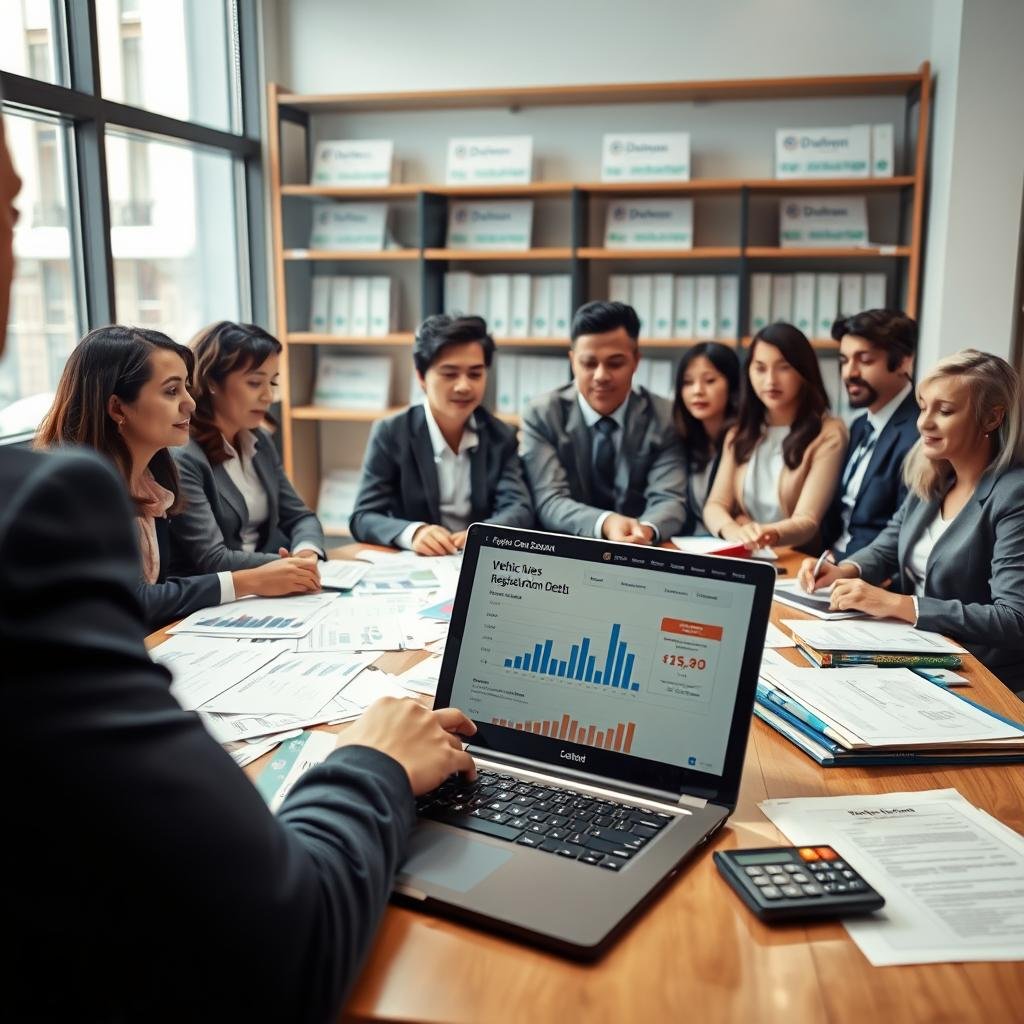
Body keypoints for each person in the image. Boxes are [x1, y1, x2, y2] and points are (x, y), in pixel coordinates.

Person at [0, 108, 477, 1020]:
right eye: (14, 211)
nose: (203, 403)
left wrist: (304, 547)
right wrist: (369, 762)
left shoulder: (215, 456)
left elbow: (300, 512)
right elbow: (279, 938)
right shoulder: (63, 505)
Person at [35, 325, 321, 630]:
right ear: (118, 408)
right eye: (172, 391)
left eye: (186, 387)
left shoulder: (153, 476)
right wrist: (250, 580)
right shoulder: (79, 490)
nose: (190, 403)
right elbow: (133, 599)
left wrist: (290, 564)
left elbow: (156, 589)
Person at [799, 349, 1024, 695]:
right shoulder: (934, 474)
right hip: (917, 655)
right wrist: (844, 570)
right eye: (922, 407)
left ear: (992, 418)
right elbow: (888, 546)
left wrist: (899, 605)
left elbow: (1013, 619)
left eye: (944, 411)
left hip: (983, 677)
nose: (923, 423)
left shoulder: (1013, 494)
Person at [349, 314, 533, 553]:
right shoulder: (391, 433)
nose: (464, 386)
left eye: (475, 374)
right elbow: (363, 516)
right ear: (421, 376)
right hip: (416, 561)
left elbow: (519, 508)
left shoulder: (502, 436)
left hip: (477, 559)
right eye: (449, 374)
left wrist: (483, 534)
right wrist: (414, 533)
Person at [169, 320, 327, 575]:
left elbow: (301, 517)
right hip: (226, 590)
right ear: (211, 381)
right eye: (255, 383)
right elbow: (212, 559)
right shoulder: (183, 455)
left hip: (273, 580)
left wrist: (306, 552)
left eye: (272, 383)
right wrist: (288, 565)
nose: (268, 396)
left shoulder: (258, 441)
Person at [521, 300, 686, 544]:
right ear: (572, 361)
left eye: (615, 363)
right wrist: (606, 524)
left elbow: (669, 498)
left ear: (636, 361)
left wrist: (644, 532)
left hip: (640, 548)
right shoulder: (543, 415)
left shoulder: (665, 416)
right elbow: (549, 499)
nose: (601, 376)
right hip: (567, 548)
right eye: (589, 364)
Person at [703, 323, 847, 550]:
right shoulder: (740, 432)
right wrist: (735, 532)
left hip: (798, 558)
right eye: (760, 368)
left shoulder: (829, 433)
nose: (770, 380)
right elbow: (715, 505)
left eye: (784, 367)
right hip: (747, 551)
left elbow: (808, 520)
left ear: (803, 371)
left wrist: (766, 533)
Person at [822, 309, 919, 558]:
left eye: (864, 360)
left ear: (903, 362)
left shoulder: (920, 434)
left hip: (867, 570)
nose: (849, 373)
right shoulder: (858, 426)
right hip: (829, 560)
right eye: (844, 361)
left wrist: (842, 565)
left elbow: (903, 536)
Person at [671, 342, 741, 536]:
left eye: (709, 381)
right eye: (688, 382)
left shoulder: (744, 439)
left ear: (732, 385)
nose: (697, 391)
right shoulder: (682, 438)